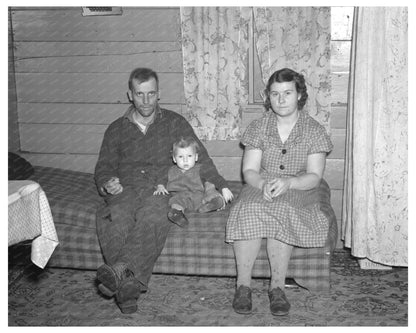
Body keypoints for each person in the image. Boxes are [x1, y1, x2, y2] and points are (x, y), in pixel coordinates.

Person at [94, 67, 231, 314]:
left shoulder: (175, 122)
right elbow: (103, 167)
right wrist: (107, 183)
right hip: (126, 188)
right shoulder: (116, 129)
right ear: (130, 95)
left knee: (154, 215)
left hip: (162, 190)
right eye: (139, 94)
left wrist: (221, 185)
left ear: (159, 94)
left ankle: (121, 279)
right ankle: (128, 287)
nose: (146, 100)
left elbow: (201, 160)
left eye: (151, 94)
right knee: (115, 216)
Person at [226, 68, 333, 316]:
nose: (281, 99)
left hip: (299, 187)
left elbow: (314, 177)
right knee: (247, 208)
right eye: (275, 94)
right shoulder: (259, 126)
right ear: (268, 97)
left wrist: (289, 183)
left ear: (299, 95)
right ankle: (243, 286)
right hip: (260, 185)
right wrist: (263, 184)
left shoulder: (314, 130)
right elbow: (249, 171)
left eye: (287, 93)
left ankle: (277, 289)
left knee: (282, 207)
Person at [154, 136, 234, 227]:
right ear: (174, 159)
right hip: (180, 196)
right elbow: (160, 178)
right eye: (180, 157)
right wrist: (160, 186)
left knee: (208, 196)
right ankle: (177, 214)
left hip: (198, 195)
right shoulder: (169, 170)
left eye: (189, 156)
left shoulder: (201, 169)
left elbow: (215, 177)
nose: (185, 160)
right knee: (175, 202)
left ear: (196, 157)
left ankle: (214, 204)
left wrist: (224, 188)